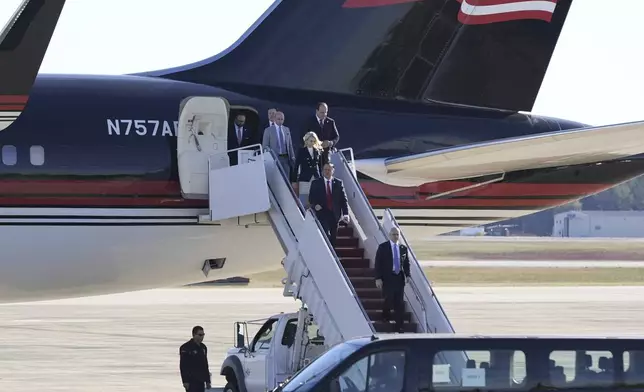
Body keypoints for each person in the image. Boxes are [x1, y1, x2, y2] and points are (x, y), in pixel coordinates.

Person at [374, 226, 410, 333]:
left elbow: (406, 263)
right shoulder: (383, 247)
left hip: (399, 278)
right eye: (394, 234)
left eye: (397, 234)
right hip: (387, 278)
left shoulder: (403, 248)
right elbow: (378, 264)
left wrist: (408, 275)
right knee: (388, 299)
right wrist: (378, 278)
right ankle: (385, 315)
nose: (396, 236)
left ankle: (400, 326)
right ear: (389, 235)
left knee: (399, 303)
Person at [308, 163, 349, 246]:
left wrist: (346, 214)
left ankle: (333, 255)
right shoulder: (316, 183)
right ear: (322, 171)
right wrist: (315, 205)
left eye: (329, 170)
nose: (327, 172)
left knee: (333, 237)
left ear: (333, 171)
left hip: (335, 214)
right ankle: (326, 254)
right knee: (326, 234)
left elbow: (343, 200)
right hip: (322, 213)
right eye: (325, 170)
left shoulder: (338, 183)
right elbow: (311, 198)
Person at [293, 131, 324, 206]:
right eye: (311, 141)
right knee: (304, 199)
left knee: (317, 199)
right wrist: (294, 180)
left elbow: (320, 166)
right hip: (305, 177)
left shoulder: (317, 151)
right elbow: (296, 166)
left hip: (316, 177)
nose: (312, 143)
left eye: (314, 141)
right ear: (306, 141)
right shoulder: (301, 151)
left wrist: (322, 178)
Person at [263, 110, 295, 177]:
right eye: (278, 119)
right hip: (275, 158)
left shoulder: (286, 129)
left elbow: (290, 145)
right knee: (276, 177)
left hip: (286, 158)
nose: (280, 121)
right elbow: (265, 146)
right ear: (274, 119)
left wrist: (292, 157)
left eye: (282, 119)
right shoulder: (268, 130)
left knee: (286, 177)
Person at [180, 325, 212, 392]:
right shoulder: (186, 347)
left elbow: (205, 364)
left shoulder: (203, 347)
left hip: (201, 380)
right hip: (191, 381)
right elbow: (183, 365)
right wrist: (185, 381)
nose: (202, 337)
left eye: (203, 335)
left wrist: (208, 381)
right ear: (194, 335)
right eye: (200, 335)